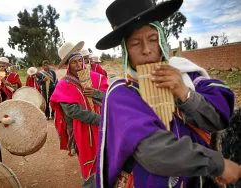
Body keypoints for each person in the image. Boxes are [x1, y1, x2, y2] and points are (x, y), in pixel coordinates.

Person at [95, 0, 240, 187]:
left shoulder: (189, 76)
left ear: (162, 40)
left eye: (153, 40)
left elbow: (219, 119)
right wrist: (216, 164)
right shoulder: (120, 94)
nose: (147, 50)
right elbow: (153, 152)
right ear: (125, 52)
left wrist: (185, 93)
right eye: (135, 43)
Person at [50, 41, 109, 187]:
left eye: (80, 61)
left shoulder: (95, 77)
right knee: (89, 169)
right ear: (68, 65)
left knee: (106, 162)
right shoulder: (64, 85)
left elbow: (110, 96)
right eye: (74, 62)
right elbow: (72, 111)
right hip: (82, 131)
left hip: (102, 129)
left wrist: (95, 93)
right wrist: (100, 120)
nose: (78, 65)